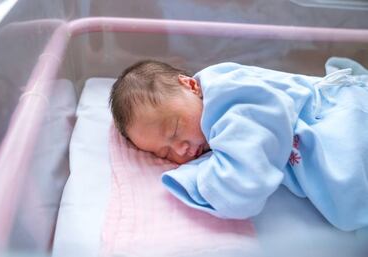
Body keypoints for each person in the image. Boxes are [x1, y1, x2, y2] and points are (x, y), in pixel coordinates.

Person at [109, 58, 368, 232]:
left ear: (189, 85)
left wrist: (192, 178)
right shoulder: (203, 117)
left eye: (174, 130)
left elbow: (243, 186)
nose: (180, 150)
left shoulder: (230, 98)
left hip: (347, 111)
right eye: (164, 152)